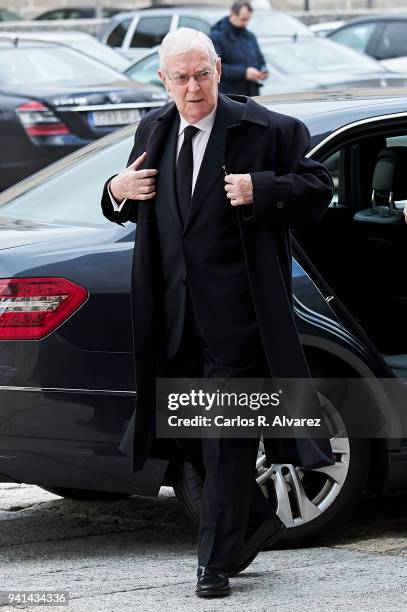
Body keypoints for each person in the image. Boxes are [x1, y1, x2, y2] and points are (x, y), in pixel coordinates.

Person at [100, 28, 335, 598]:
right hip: (172, 319)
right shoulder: (152, 129)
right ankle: (252, 519)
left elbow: (318, 187)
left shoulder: (265, 128)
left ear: (219, 68)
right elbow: (141, 215)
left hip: (239, 323)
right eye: (179, 77)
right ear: (162, 80)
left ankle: (213, 562)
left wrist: (265, 188)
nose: (192, 86)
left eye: (201, 73)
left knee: (225, 439)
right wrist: (115, 188)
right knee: (188, 438)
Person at [210, 1, 268, 96]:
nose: (246, 23)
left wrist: (263, 70)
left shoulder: (250, 36)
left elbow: (260, 60)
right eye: (243, 19)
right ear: (232, 14)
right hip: (230, 96)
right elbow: (214, 67)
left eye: (248, 19)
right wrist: (244, 73)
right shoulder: (216, 37)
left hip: (252, 94)